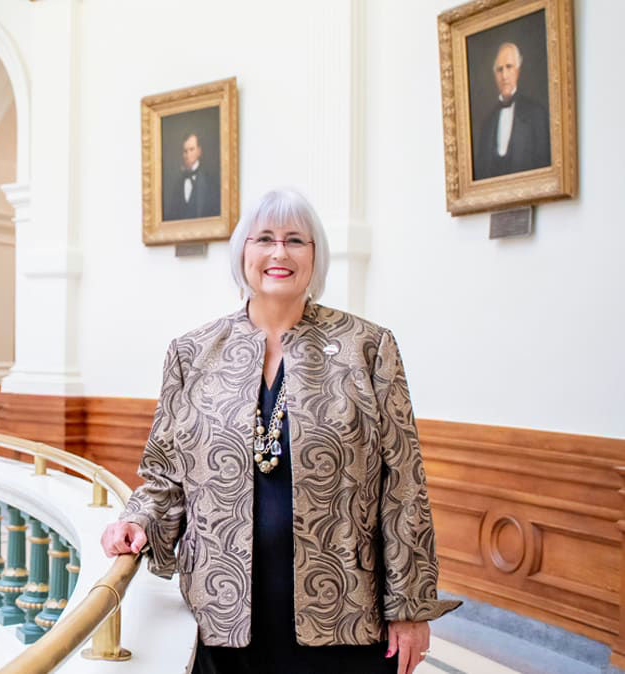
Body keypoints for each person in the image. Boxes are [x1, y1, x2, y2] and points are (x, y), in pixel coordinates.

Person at [101, 189, 459, 674]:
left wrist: (411, 608)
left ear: (316, 255)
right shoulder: (192, 353)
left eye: (296, 240)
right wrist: (137, 520)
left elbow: (403, 486)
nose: (279, 253)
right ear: (242, 253)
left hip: (343, 611)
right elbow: (166, 474)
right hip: (226, 609)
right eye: (264, 238)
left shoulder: (368, 348)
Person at [472, 41, 550, 181]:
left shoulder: (536, 114)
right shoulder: (487, 124)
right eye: (499, 70)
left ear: (518, 71)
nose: (504, 76)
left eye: (509, 67)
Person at [163, 132, 220, 221]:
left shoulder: (210, 181)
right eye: (185, 151)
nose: (188, 155)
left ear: (199, 151)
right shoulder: (178, 184)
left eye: (191, 149)